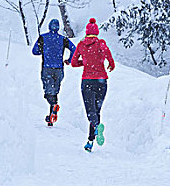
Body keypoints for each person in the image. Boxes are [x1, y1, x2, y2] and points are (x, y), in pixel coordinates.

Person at [71, 18, 115, 152]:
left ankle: (94, 130)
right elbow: (110, 58)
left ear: (86, 32)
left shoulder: (81, 45)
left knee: (90, 111)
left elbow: (73, 62)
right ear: (96, 32)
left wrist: (84, 63)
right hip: (101, 81)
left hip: (87, 81)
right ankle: (91, 140)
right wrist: (110, 65)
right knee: (97, 109)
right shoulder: (101, 43)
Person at [32, 19, 76, 126]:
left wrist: (43, 50)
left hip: (47, 68)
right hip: (59, 69)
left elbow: (34, 51)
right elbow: (74, 49)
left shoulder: (43, 37)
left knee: (48, 93)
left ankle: (53, 105)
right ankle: (51, 116)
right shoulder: (63, 39)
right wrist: (69, 60)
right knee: (55, 92)